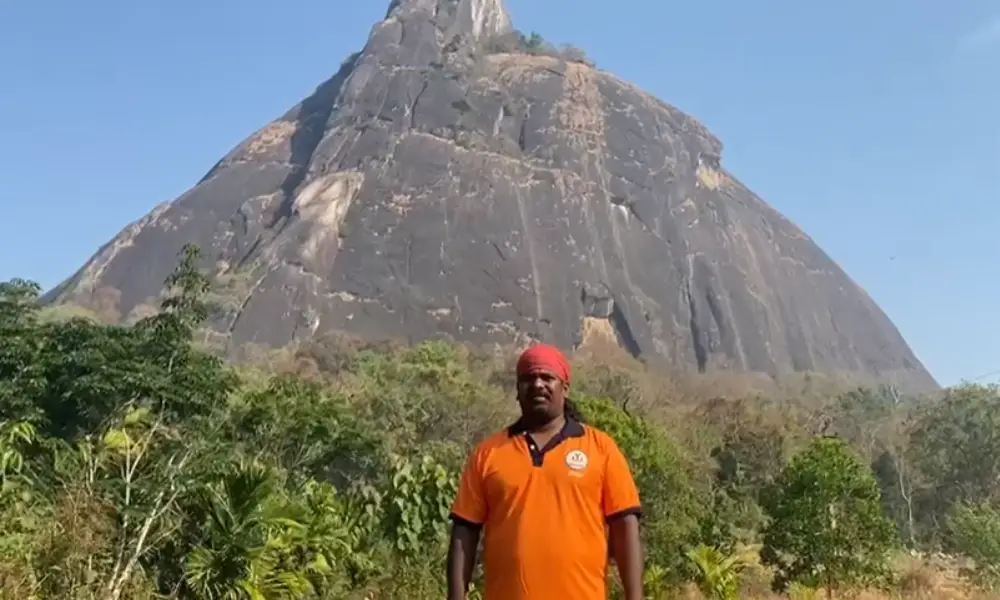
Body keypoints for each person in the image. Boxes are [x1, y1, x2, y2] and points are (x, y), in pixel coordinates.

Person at [446, 343, 644, 600]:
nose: (537, 384)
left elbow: (625, 526)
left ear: (565, 388)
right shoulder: (488, 453)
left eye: (547, 377)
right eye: (528, 378)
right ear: (517, 390)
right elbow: (464, 531)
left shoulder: (600, 448)